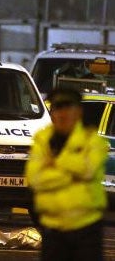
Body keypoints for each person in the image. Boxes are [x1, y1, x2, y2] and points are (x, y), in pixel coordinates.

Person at [25, 88, 108, 261]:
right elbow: (35, 179)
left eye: (67, 108)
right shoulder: (42, 139)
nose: (62, 114)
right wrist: (71, 173)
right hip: (52, 228)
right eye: (57, 108)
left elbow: (88, 170)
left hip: (86, 227)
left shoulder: (92, 140)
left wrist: (54, 163)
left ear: (78, 112)